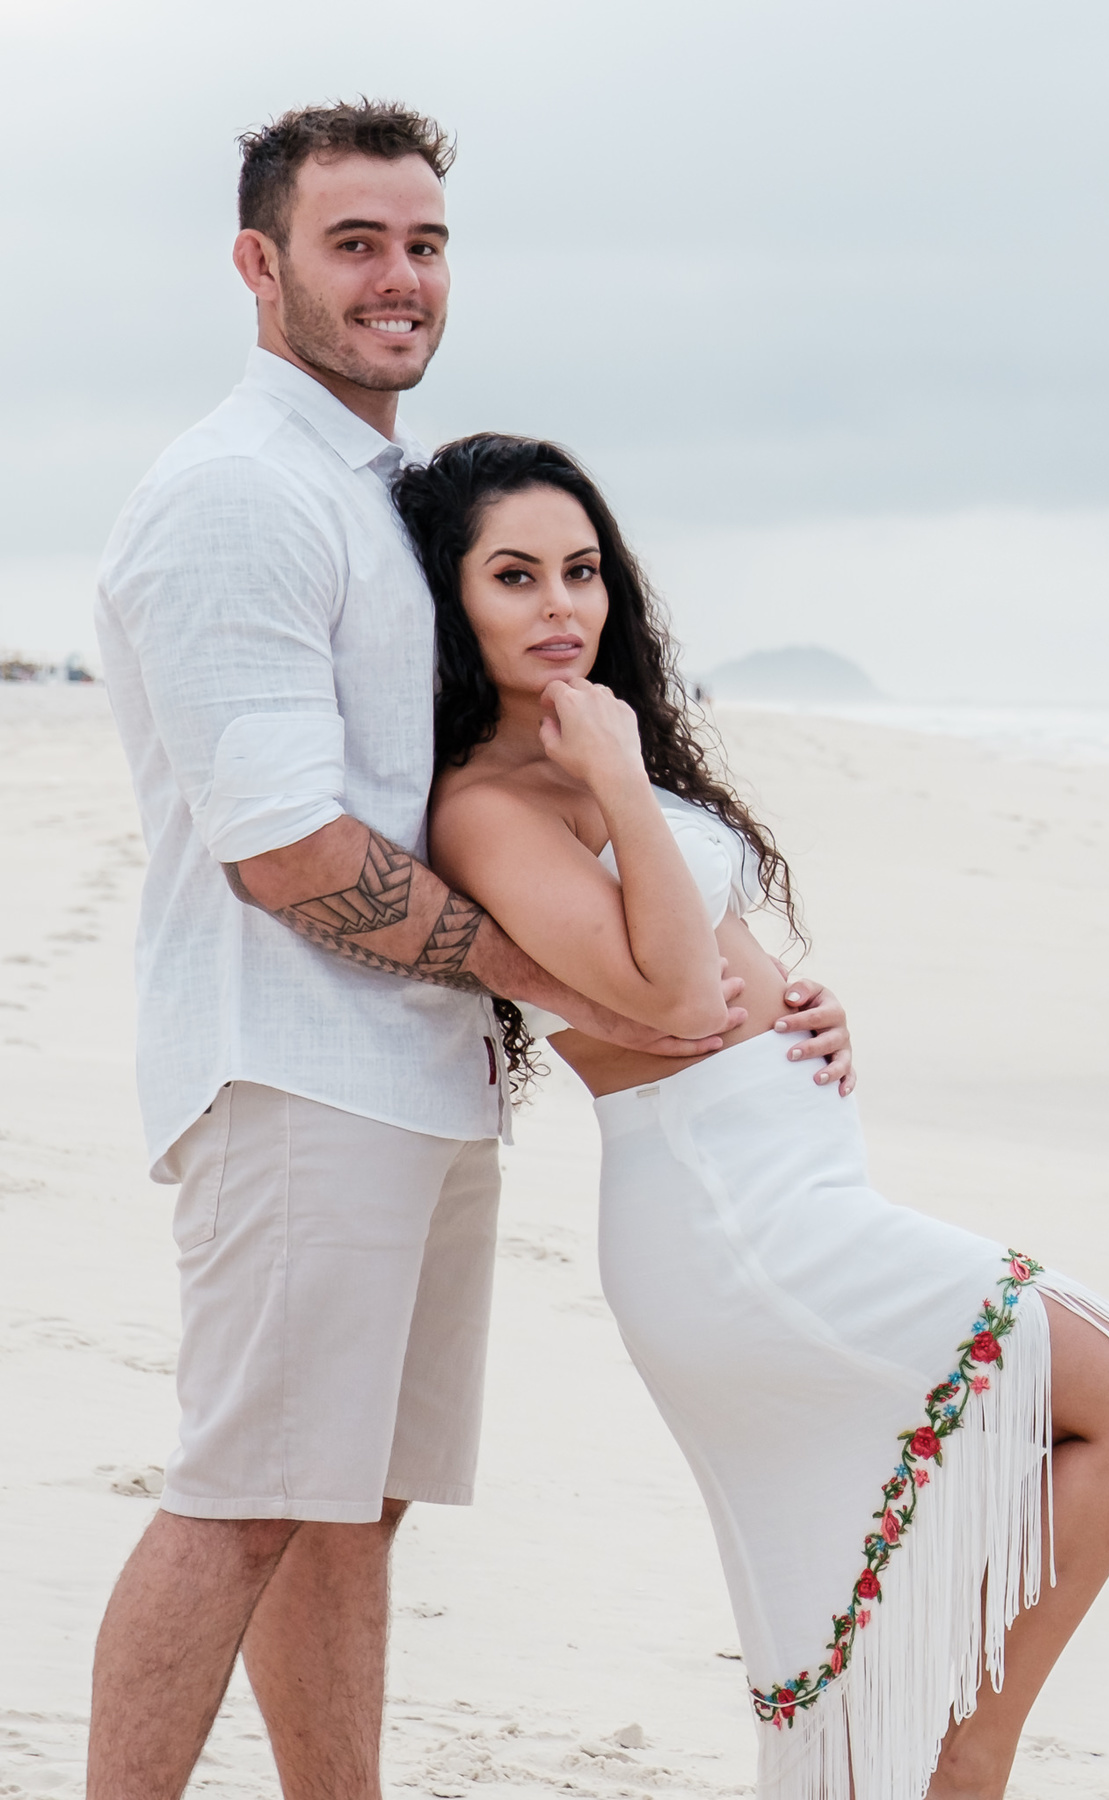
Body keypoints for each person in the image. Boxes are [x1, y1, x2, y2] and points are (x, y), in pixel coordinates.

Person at [90, 101, 849, 1799]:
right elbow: (286, 842)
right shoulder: (238, 494)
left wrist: (738, 963)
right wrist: (552, 980)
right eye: (354, 242)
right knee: (242, 1501)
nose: (398, 279)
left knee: (349, 1505)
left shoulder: (378, 495)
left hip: (406, 1076)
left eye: (424, 242)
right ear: (257, 263)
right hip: (291, 1065)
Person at [396, 432, 1109, 1800]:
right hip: (728, 1224)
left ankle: (943, 1754)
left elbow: (709, 955)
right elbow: (668, 982)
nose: (562, 608)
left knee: (1072, 1441)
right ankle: (967, 1754)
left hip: (788, 1192)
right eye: (515, 577)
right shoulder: (486, 802)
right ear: (452, 602)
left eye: (582, 572)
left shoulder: (581, 759)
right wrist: (618, 775)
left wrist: (800, 1000)